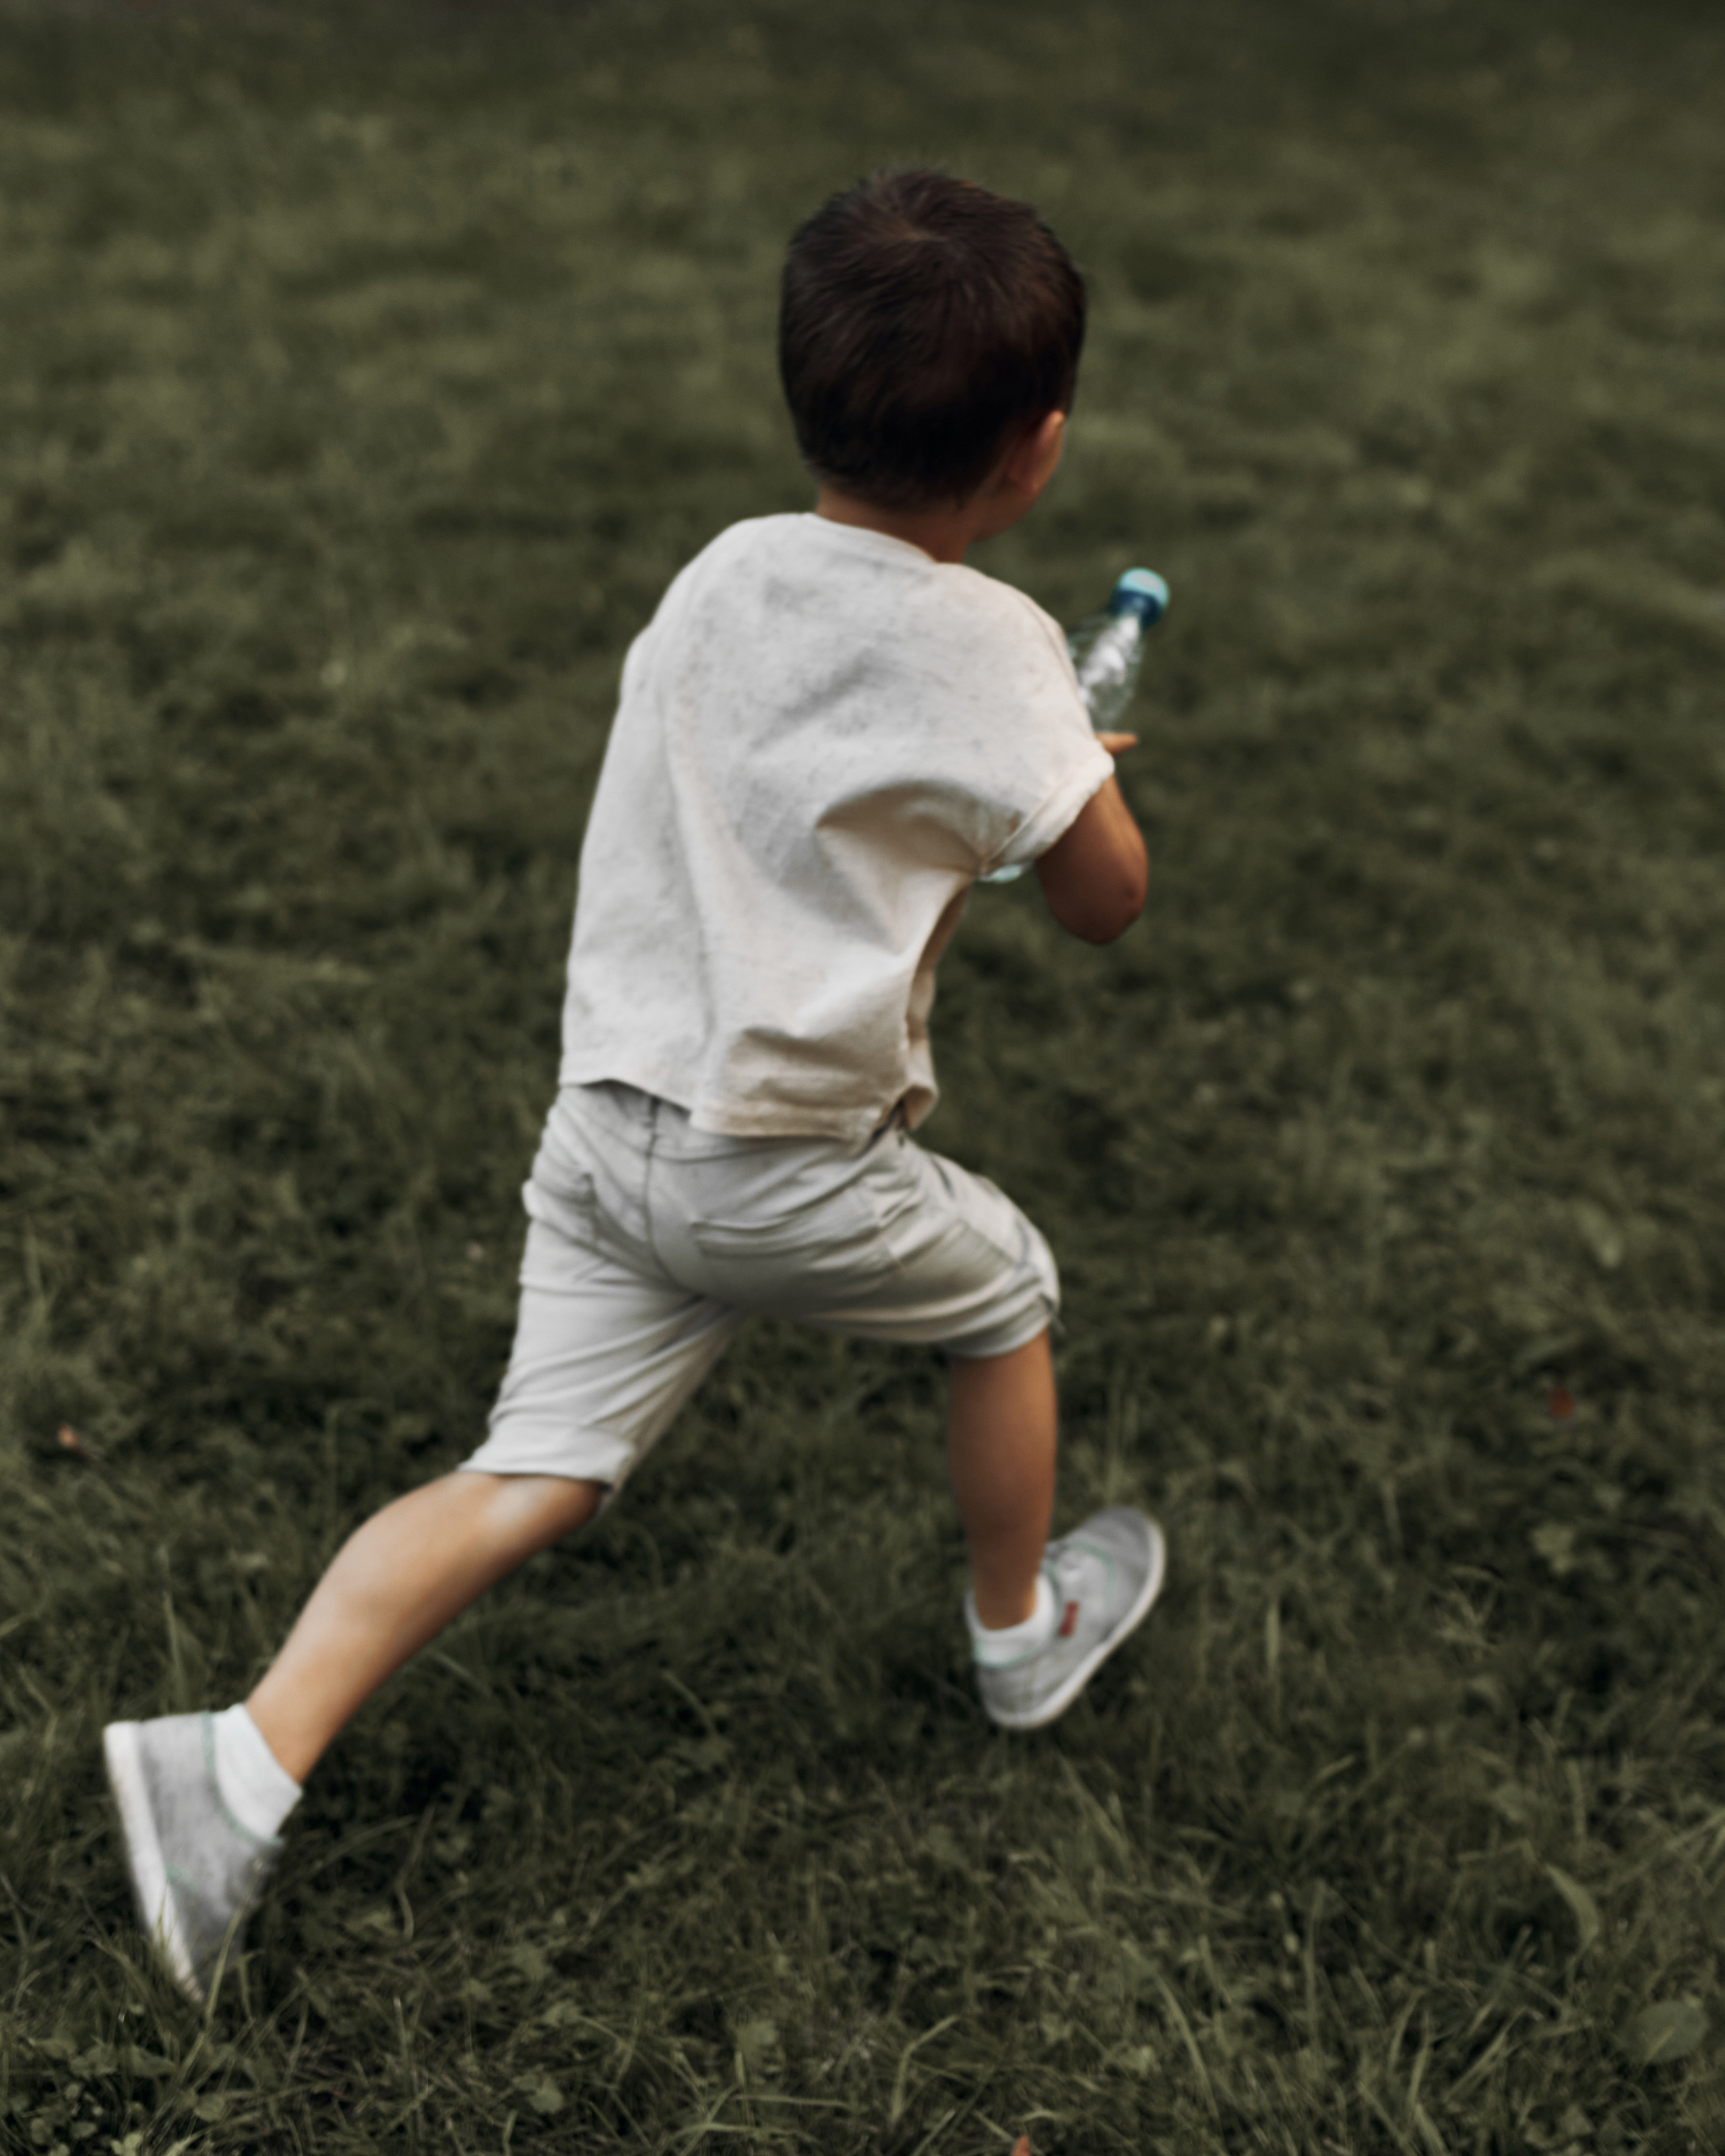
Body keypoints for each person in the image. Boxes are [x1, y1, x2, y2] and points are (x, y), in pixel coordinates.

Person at [102, 167, 1168, 2005]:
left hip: (605, 1129)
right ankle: (1020, 1631)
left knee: (534, 1466)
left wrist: (990, 786)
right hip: (780, 1166)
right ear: (1042, 449)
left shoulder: (724, 572)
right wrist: (1073, 773)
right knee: (1008, 1300)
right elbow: (1104, 903)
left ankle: (231, 1767)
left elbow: (809, 779)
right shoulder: (1006, 659)